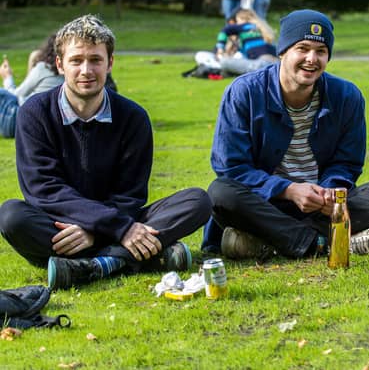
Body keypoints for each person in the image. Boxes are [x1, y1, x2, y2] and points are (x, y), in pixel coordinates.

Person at [0, 15, 211, 290]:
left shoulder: (133, 118)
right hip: (63, 225)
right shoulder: (34, 113)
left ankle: (91, 266)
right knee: (12, 216)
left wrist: (96, 230)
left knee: (197, 201)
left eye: (95, 60)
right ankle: (136, 256)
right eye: (76, 60)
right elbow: (44, 190)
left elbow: (130, 194)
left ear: (110, 63)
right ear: (60, 65)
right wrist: (114, 229)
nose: (86, 70)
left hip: (118, 218)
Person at [207, 9, 369, 259]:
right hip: (266, 203)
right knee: (221, 193)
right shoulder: (244, 92)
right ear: (283, 52)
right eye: (302, 48)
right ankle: (320, 242)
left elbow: (347, 162)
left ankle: (273, 240)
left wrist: (328, 192)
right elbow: (231, 168)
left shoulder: (347, 96)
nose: (311, 59)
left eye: (320, 51)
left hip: (321, 206)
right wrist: (289, 190)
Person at [0, 35, 64, 138]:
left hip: (15, 118)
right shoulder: (69, 78)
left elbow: (15, 95)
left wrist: (7, 77)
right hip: (32, 126)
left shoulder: (44, 68)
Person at [216, 8, 277, 76]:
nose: (237, 23)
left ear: (242, 19)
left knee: (223, 62)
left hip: (260, 65)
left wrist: (220, 49)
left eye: (237, 21)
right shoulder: (263, 28)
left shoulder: (243, 26)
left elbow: (224, 31)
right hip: (276, 64)